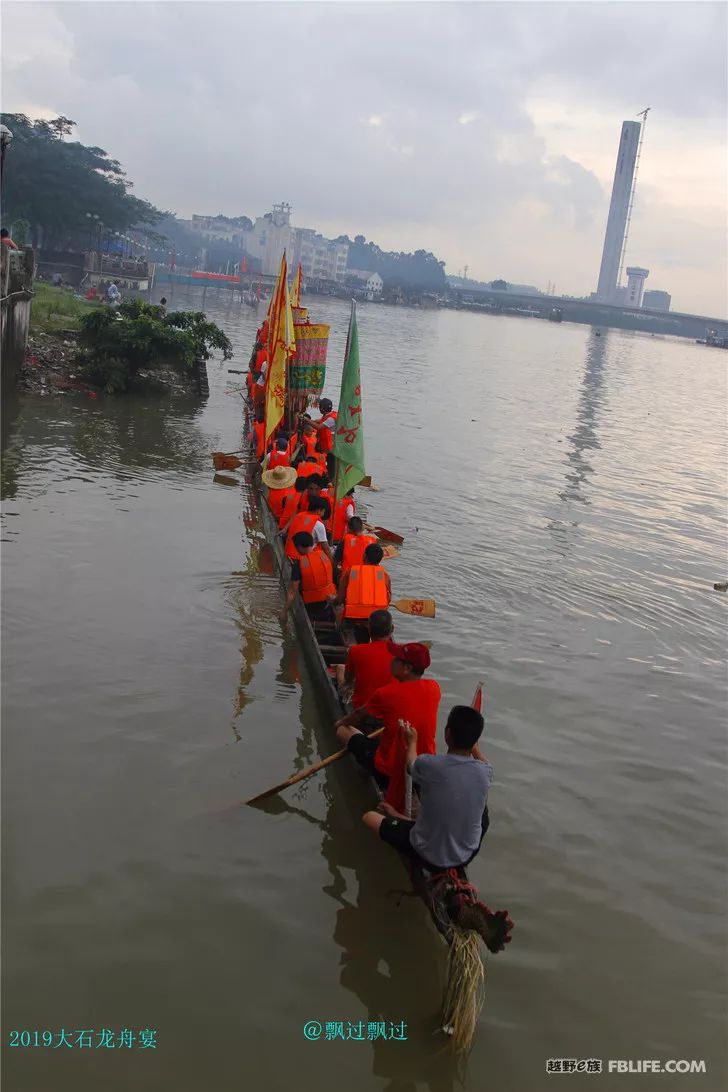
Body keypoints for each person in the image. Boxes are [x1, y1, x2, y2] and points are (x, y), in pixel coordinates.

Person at [361, 707, 510, 952]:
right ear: (475, 741)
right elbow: (482, 761)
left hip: (426, 851)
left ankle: (450, 896)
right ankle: (459, 900)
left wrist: (412, 741)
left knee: (369, 817)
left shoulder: (431, 765)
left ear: (447, 734)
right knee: (482, 813)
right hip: (467, 850)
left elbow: (411, 764)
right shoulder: (485, 772)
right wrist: (474, 747)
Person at [335, 642, 440, 810]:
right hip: (424, 769)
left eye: (396, 659)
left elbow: (358, 715)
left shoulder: (385, 693)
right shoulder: (435, 688)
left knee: (342, 730)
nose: (392, 661)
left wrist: (341, 722)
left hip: (389, 771)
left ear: (406, 668)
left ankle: (366, 771)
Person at [338, 609, 396, 711]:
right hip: (389, 707)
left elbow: (348, 679)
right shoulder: (399, 653)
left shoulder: (355, 650)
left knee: (340, 668)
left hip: (362, 707)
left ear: (369, 629)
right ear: (392, 629)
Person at [336, 542, 391, 643]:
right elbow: (388, 600)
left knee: (339, 620)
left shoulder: (351, 571)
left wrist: (335, 601)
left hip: (353, 620)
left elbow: (340, 598)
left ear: (364, 555)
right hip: (376, 621)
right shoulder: (384, 575)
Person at [280, 531, 336, 623]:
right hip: (329, 601)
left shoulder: (298, 564)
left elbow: (292, 592)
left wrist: (284, 611)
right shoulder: (324, 556)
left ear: (299, 547)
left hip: (312, 604)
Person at [283, 498, 333, 562]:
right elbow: (327, 549)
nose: (323, 514)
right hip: (303, 560)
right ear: (319, 510)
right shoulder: (319, 525)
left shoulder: (298, 516)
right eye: (323, 511)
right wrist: (333, 566)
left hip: (288, 555)